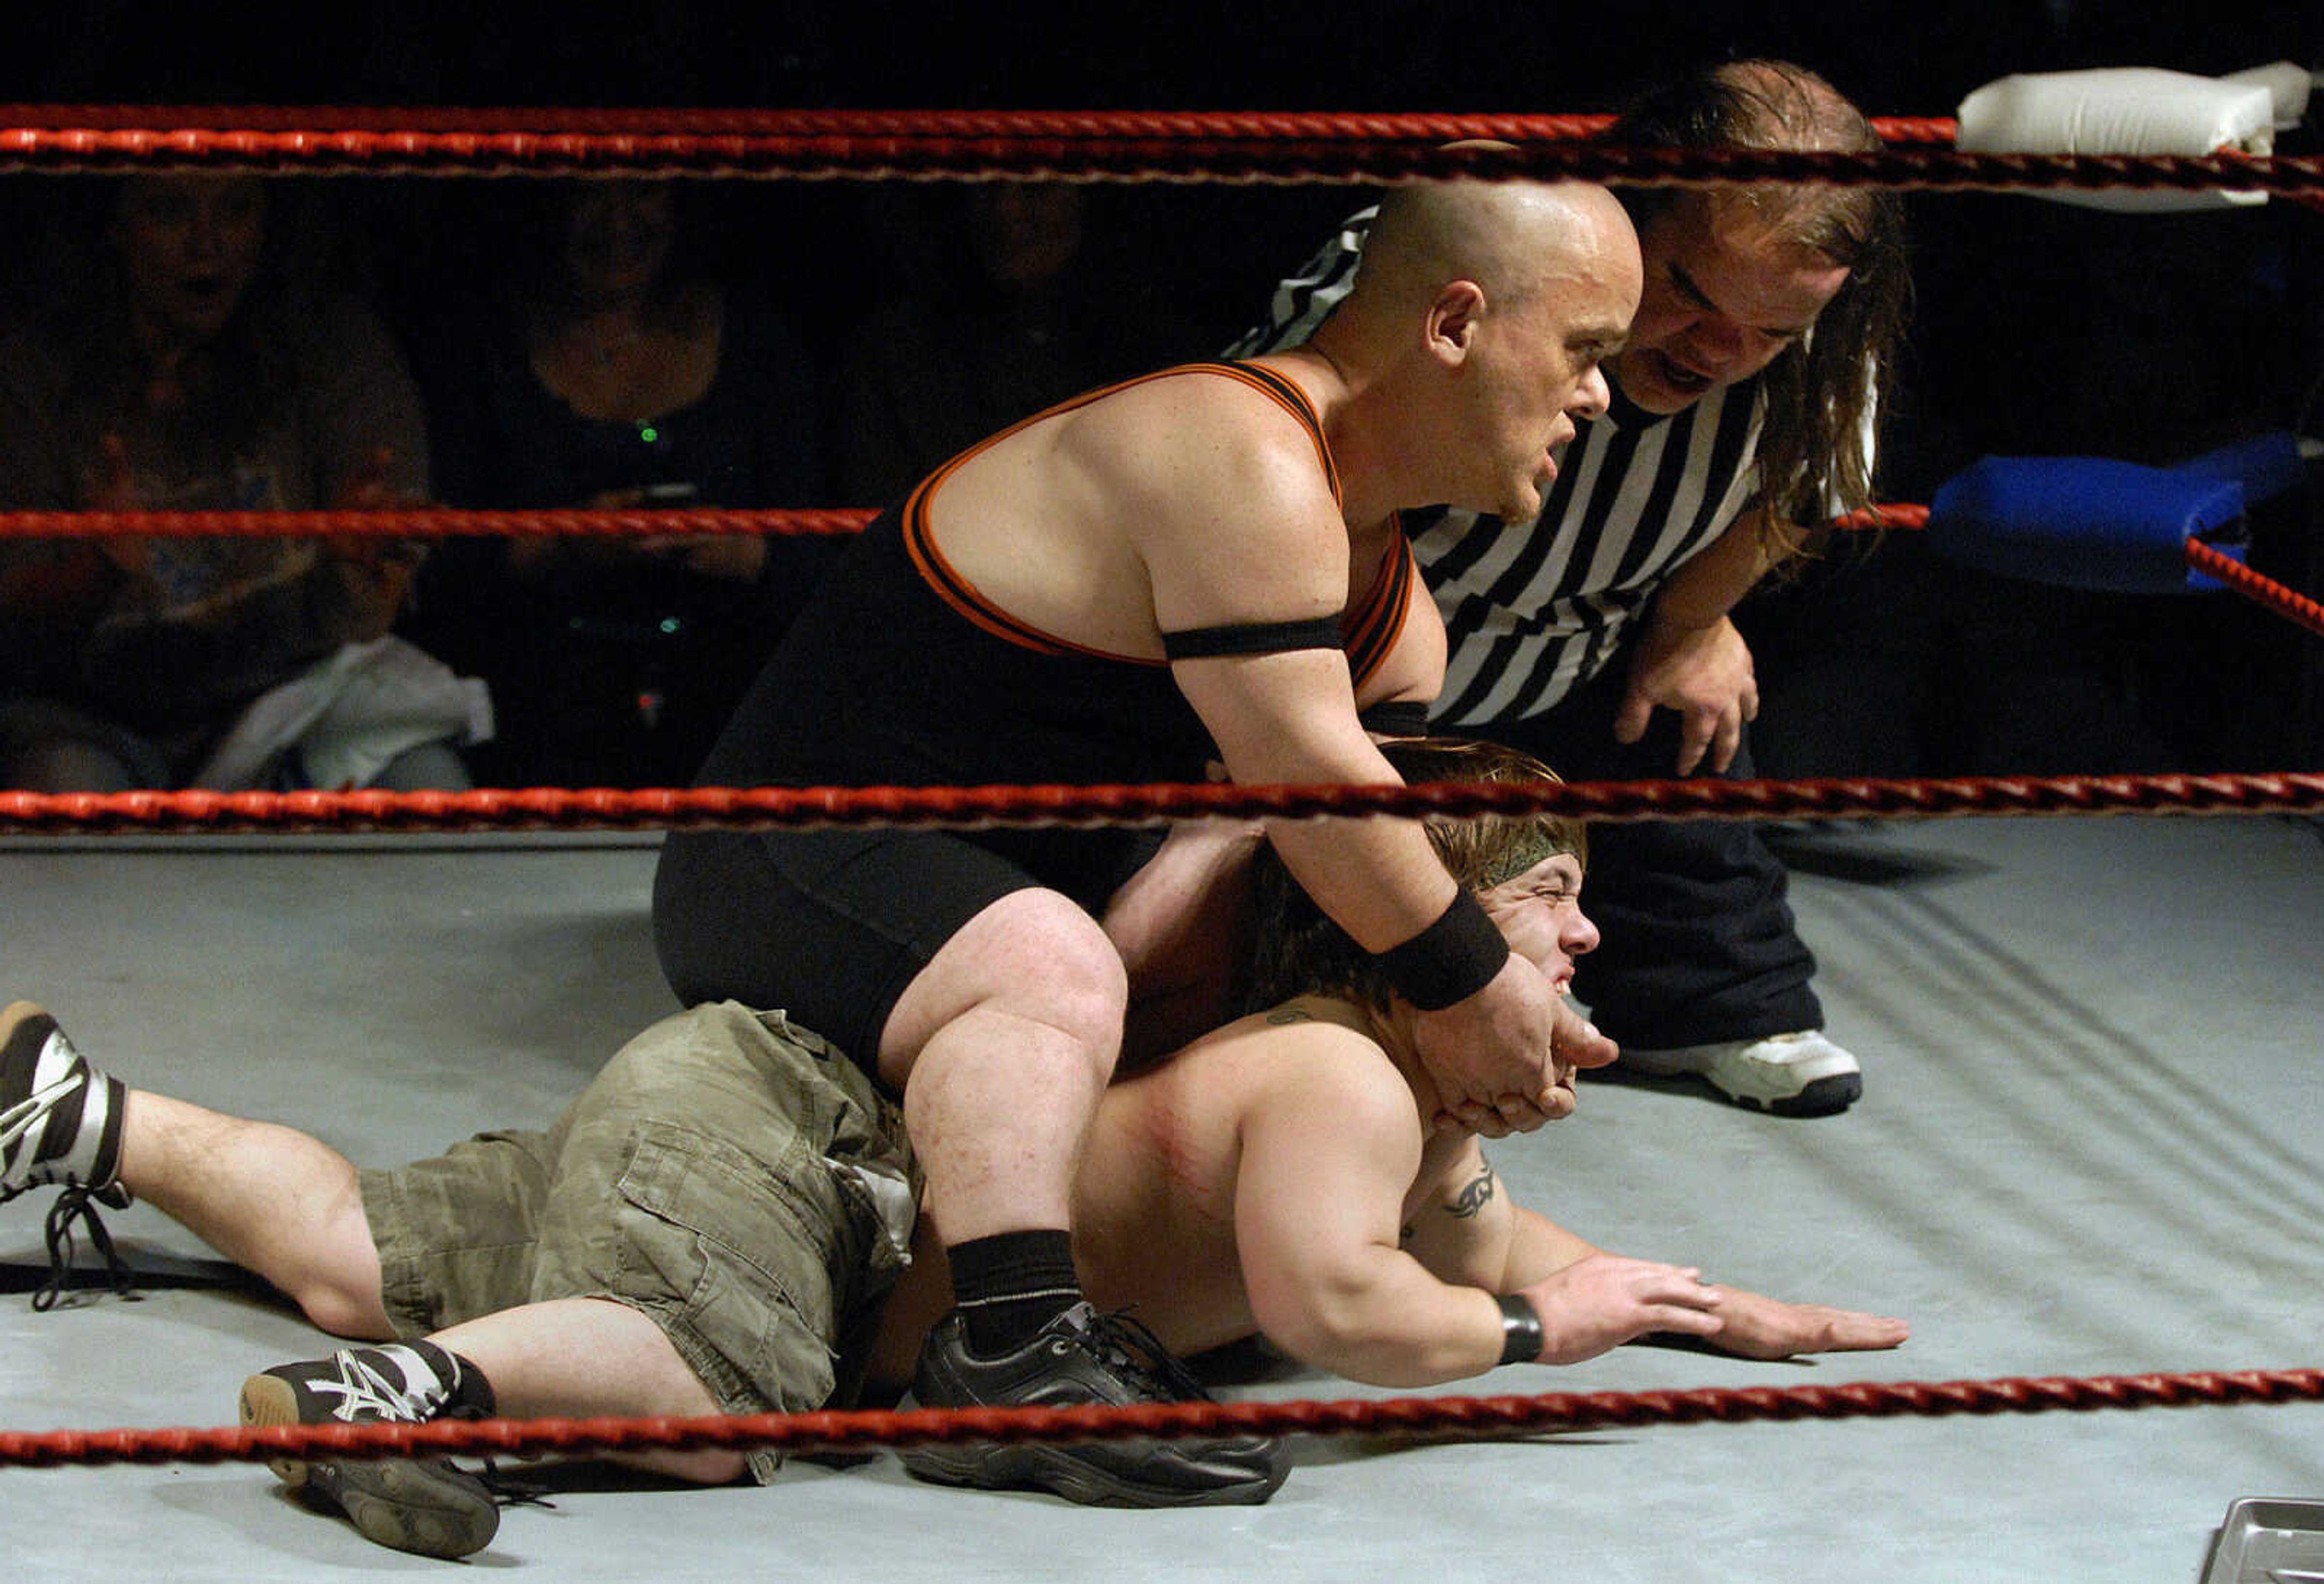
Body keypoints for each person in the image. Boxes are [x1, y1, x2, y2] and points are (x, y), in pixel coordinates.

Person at [0, 739, 1906, 1559]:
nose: (1584, 941)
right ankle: (387, 1393)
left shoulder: (1381, 1105)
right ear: (1424, 936)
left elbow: (1495, 1238)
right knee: (706, 1387)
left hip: (753, 1111)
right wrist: (1541, 1339)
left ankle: (77, 1109)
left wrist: (1715, 1307)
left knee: (354, 1229)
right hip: (810, 1168)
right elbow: (1355, 1300)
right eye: (1552, 898)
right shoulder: (1332, 1079)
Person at [650, 176, 1643, 1502]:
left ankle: (992, 1292)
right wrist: (1468, 987)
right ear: (1455, 322)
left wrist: (1530, 1188)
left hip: (1027, 944)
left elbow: (1311, 872)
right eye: (1586, 352)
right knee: (1081, 961)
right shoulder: (1232, 446)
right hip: (786, 864)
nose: (1601, 401)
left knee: (1288, 973)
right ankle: (1009, 1347)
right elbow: (1309, 777)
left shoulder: (1400, 626)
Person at [1228, 60, 1912, 1117]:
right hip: (1349, 648)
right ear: (1627, 211)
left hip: (1587, 645)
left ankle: (1710, 1005)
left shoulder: (1826, 351)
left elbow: (1804, 492)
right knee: (1276, 897)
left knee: (1690, 731)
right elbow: (1267, 456)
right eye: (1691, 293)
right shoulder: (1463, 261)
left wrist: (1694, 622)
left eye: (1769, 332)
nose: (1721, 353)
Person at [0, 175, 485, 793]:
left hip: (289, 698)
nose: (208, 244)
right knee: (64, 782)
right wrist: (96, 568)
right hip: (96, 714)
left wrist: (359, 567)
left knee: (428, 782)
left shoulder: (330, 348)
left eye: (235, 210)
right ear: (115, 229)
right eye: (170, 212)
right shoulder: (34, 370)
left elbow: (374, 596)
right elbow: (18, 630)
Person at [404, 180, 832, 787]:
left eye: (643, 190)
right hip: (534, 719)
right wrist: (567, 546)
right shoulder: (479, 348)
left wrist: (739, 550)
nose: (618, 221)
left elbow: (827, 560)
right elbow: (436, 571)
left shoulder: (761, 344)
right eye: (590, 192)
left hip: (734, 714)